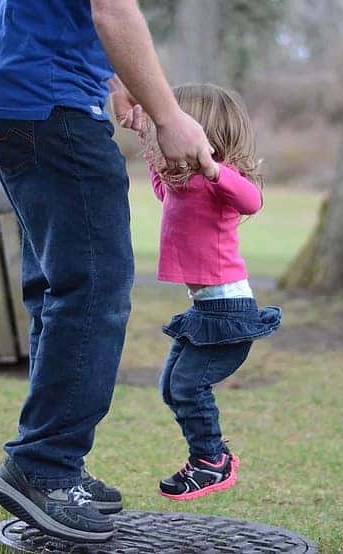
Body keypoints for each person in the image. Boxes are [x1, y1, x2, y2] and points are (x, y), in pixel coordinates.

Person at [0, 0, 215, 544]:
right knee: (94, 287)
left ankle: (52, 463)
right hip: (50, 102)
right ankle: (44, 466)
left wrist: (117, 77)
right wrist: (170, 117)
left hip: (13, 92)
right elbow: (112, 10)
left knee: (60, 282)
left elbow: (65, 0)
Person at [113, 83, 282, 501]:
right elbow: (160, 187)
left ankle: (211, 461)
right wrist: (147, 140)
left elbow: (253, 201)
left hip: (230, 311)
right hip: (208, 311)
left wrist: (211, 166)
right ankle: (211, 455)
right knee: (171, 387)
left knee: (188, 387)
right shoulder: (184, 186)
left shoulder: (221, 183)